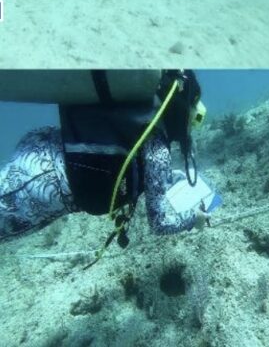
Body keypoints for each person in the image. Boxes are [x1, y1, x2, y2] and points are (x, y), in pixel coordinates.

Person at [0, 71, 213, 258]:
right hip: (43, 183)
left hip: (44, 159)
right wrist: (193, 219)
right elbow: (160, 223)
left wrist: (169, 176)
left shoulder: (146, 115)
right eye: (194, 114)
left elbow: (139, 162)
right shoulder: (158, 148)